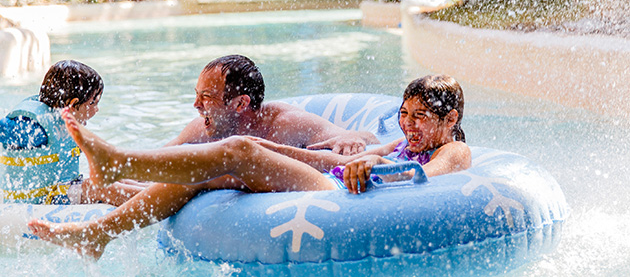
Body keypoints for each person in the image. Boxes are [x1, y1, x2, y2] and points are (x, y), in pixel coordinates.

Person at [28, 74, 471, 260]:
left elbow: (424, 177)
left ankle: (116, 161)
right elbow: (358, 158)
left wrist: (369, 172)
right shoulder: (402, 141)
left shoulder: (454, 151)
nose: (409, 126)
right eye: (405, 114)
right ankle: (98, 232)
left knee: (237, 150)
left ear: (450, 120)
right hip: (331, 179)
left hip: (340, 198)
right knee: (221, 172)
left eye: (421, 117)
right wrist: (342, 155)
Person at [0, 60, 144, 206]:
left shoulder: (59, 120)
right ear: (73, 104)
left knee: (114, 178)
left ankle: (155, 189)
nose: (96, 109)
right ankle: (156, 200)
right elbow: (5, 131)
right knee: (105, 189)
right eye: (93, 103)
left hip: (61, 189)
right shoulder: (34, 129)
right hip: (41, 200)